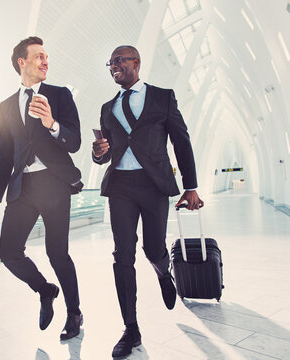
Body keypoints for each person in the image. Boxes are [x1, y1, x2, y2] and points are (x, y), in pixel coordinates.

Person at [92, 45, 203, 358]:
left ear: (135, 63)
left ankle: (163, 271)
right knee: (122, 255)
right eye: (109, 62)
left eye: (118, 61)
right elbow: (104, 153)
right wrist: (98, 152)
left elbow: (182, 141)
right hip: (120, 187)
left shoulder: (162, 97)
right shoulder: (106, 106)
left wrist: (190, 186)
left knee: (153, 248)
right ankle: (131, 328)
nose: (113, 66)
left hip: (153, 185)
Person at [0, 36, 84, 340]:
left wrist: (52, 123)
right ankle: (45, 289)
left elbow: (74, 142)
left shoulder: (60, 95)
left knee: (57, 253)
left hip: (54, 184)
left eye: (46, 56)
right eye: (39, 56)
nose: (45, 61)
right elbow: (4, 156)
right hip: (21, 187)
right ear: (21, 62)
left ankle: (74, 312)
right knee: (9, 252)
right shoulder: (6, 106)